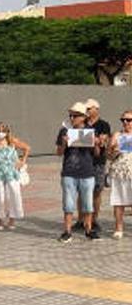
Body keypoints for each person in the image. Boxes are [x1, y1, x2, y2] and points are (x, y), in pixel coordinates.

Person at [56, 102, 101, 242]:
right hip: (69, 172)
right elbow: (59, 153)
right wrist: (64, 143)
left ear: (83, 117)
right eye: (70, 115)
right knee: (68, 204)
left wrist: (96, 144)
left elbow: (97, 154)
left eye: (75, 115)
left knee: (88, 204)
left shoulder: (90, 131)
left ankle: (88, 229)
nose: (72, 118)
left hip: (87, 172)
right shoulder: (64, 131)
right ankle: (67, 231)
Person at [83, 99, 111, 232]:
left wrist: (97, 141)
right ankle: (81, 220)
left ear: (96, 109)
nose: (87, 111)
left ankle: (94, 220)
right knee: (81, 191)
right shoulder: (82, 124)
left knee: (97, 191)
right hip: (82, 160)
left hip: (98, 162)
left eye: (89, 109)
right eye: (86, 109)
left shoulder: (103, 124)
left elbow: (103, 141)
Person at [108, 110, 132, 239]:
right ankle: (118, 228)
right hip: (119, 172)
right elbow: (109, 156)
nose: (125, 123)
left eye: (129, 120)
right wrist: (114, 150)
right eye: (123, 120)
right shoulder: (117, 135)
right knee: (118, 201)